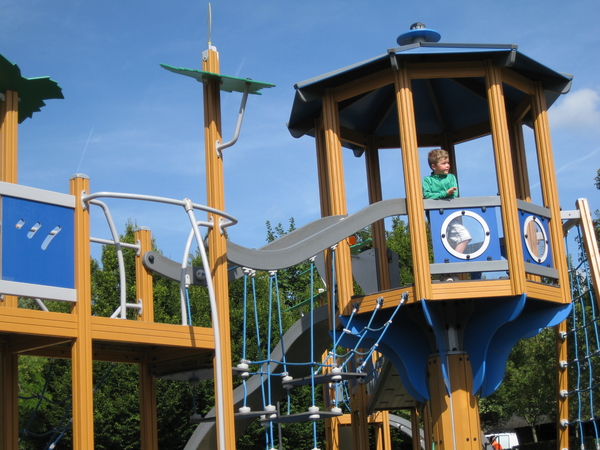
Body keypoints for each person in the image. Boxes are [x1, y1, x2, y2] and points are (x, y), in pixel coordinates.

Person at [422, 149, 471, 254]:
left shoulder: (451, 177)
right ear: (434, 166)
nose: (447, 165)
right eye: (444, 163)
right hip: (435, 218)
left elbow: (454, 194)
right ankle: (444, 267)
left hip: (450, 217)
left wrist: (442, 195)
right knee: (439, 246)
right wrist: (444, 194)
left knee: (465, 237)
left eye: (448, 162)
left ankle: (455, 262)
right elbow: (427, 195)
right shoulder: (427, 180)